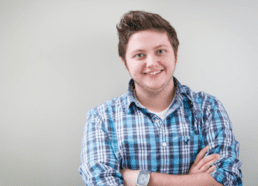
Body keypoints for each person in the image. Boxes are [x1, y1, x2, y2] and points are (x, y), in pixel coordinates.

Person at [79, 10, 242, 186]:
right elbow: (101, 182)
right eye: (139, 55)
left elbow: (228, 180)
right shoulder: (101, 118)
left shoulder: (208, 108)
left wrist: (140, 179)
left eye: (160, 51)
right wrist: (192, 180)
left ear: (176, 54)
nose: (152, 63)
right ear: (125, 62)